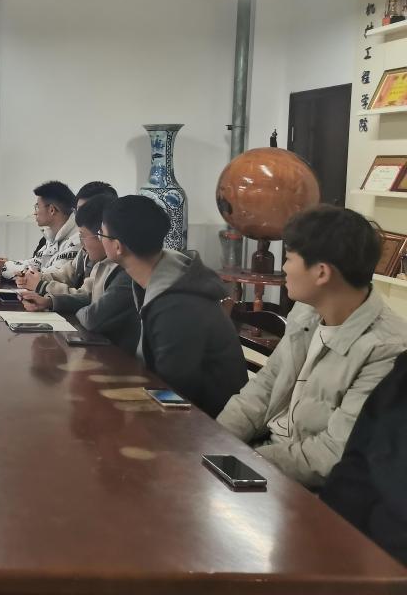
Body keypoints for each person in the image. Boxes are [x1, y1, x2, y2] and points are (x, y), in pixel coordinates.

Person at [218, 206, 407, 487]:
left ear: (321, 273)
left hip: (305, 486)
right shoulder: (306, 312)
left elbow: (332, 454)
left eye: (289, 258)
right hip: (264, 458)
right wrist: (216, 440)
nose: (284, 268)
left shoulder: (387, 349)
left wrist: (245, 460)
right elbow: (263, 388)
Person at [100, 195, 246, 417]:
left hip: (206, 422)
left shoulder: (177, 305)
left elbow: (173, 392)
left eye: (101, 233)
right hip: (177, 405)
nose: (99, 238)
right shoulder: (162, 274)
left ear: (118, 246)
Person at [20, 194, 139, 354]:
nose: (81, 242)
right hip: (102, 347)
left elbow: (91, 314)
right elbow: (85, 296)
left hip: (118, 356)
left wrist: (43, 287)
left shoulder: (124, 272)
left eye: (83, 235)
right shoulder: (102, 261)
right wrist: (50, 301)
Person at [321, 351, 407, 565]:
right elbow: (356, 464)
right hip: (352, 545)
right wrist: (325, 530)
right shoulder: (402, 374)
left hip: (389, 561)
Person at [16, 181, 118, 294]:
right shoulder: (83, 246)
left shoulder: (94, 248)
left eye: (86, 210)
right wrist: (34, 277)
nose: (80, 216)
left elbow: (86, 297)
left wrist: (41, 285)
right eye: (78, 210)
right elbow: (66, 274)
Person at [0, 181, 79, 280]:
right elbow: (35, 263)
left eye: (37, 207)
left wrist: (5, 269)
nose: (35, 213)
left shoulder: (77, 239)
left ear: (52, 210)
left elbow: (51, 276)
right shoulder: (53, 235)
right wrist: (6, 265)